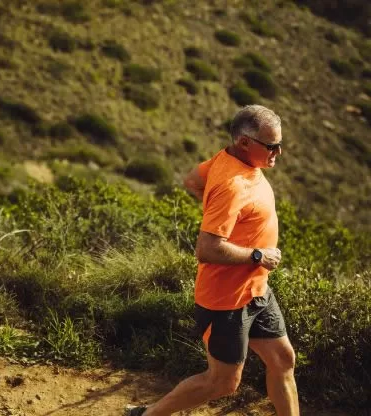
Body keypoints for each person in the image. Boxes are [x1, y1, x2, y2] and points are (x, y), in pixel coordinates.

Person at [126, 105, 298, 416]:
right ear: (244, 142)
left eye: (279, 144)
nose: (278, 152)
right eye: (271, 146)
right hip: (225, 301)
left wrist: (223, 218)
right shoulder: (232, 185)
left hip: (256, 290)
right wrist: (257, 254)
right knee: (222, 382)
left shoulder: (228, 160)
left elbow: (192, 181)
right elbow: (207, 249)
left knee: (283, 360)